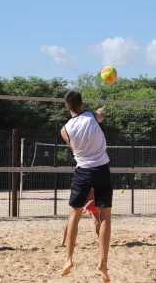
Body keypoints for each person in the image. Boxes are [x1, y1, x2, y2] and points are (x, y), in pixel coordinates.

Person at [60, 90, 112, 282]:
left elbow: (72, 147)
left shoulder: (65, 129)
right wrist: (101, 111)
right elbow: (100, 116)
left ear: (67, 106)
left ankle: (68, 259)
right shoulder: (91, 116)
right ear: (81, 104)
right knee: (105, 216)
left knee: (74, 215)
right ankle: (103, 263)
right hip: (101, 170)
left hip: (82, 171)